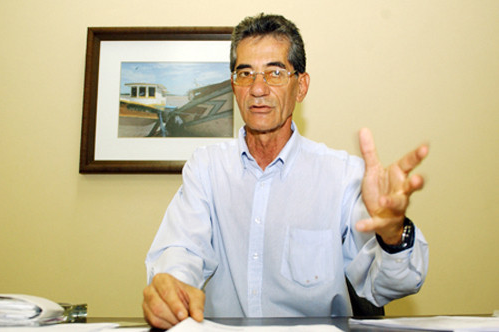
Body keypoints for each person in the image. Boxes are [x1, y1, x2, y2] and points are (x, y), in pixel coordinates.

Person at [142, 13, 429, 329]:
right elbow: (180, 250)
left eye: (275, 73)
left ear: (301, 85)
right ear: (233, 85)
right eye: (245, 73)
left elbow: (388, 286)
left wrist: (392, 235)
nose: (258, 89)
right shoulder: (207, 168)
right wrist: (173, 286)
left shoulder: (343, 175)